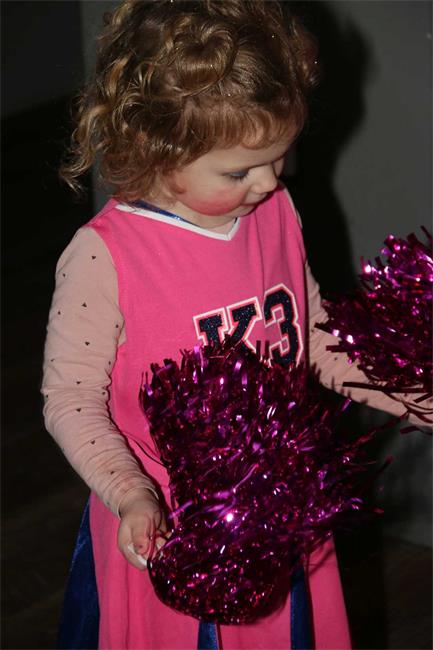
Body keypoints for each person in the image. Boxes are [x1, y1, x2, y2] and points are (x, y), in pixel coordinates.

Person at [42, 1, 431, 648]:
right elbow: (71, 399)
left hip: (282, 508)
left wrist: (404, 394)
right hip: (170, 526)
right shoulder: (105, 256)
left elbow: (312, 337)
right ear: (157, 149)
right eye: (239, 170)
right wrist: (131, 492)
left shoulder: (276, 212)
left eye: (280, 156)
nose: (269, 181)